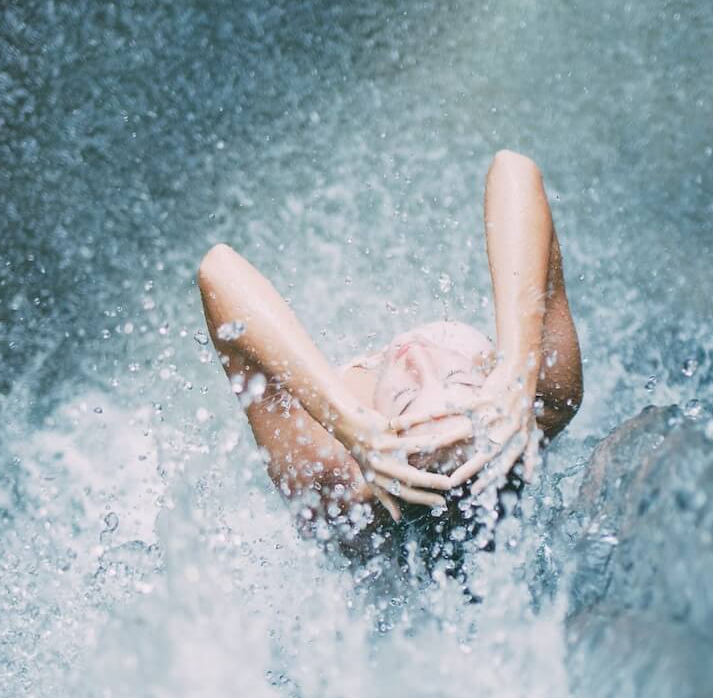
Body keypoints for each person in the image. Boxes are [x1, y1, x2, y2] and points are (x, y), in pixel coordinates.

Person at [197, 150, 582, 541]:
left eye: (405, 399)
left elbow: (218, 269)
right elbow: (513, 169)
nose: (417, 357)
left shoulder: (334, 478)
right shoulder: (538, 403)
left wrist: (343, 419)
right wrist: (518, 365)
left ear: (373, 451)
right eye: (457, 380)